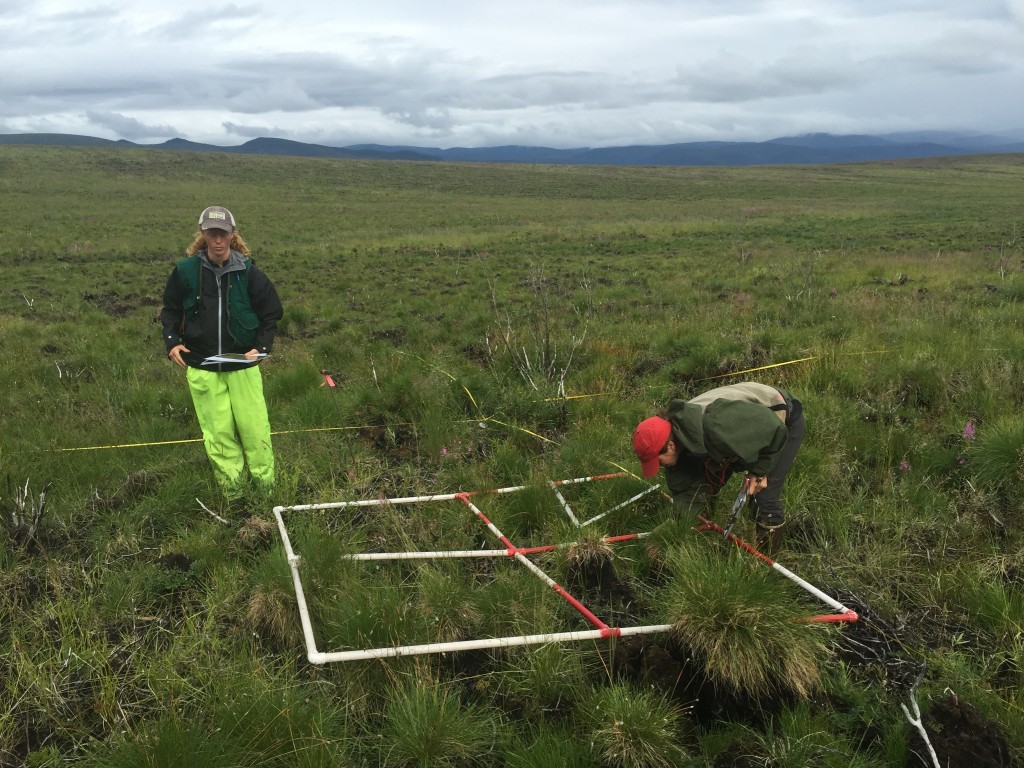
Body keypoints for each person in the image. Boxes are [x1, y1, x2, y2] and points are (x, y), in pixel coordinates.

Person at [159, 206, 284, 498]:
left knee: (255, 431)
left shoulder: (248, 272)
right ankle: (234, 495)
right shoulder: (185, 272)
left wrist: (262, 349)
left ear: (232, 235)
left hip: (242, 366)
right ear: (203, 235)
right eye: (211, 233)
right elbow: (170, 310)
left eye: (223, 234)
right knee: (218, 435)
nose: (217, 240)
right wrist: (171, 342)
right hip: (201, 367)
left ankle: (266, 492)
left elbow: (271, 313)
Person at [632, 382, 804, 552]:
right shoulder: (680, 439)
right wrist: (673, 527)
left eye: (658, 461)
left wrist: (759, 472)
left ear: (670, 446)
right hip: (745, 427)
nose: (660, 467)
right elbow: (689, 489)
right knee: (709, 477)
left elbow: (775, 430)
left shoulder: (716, 425)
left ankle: (766, 563)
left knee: (765, 496)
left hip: (780, 419)